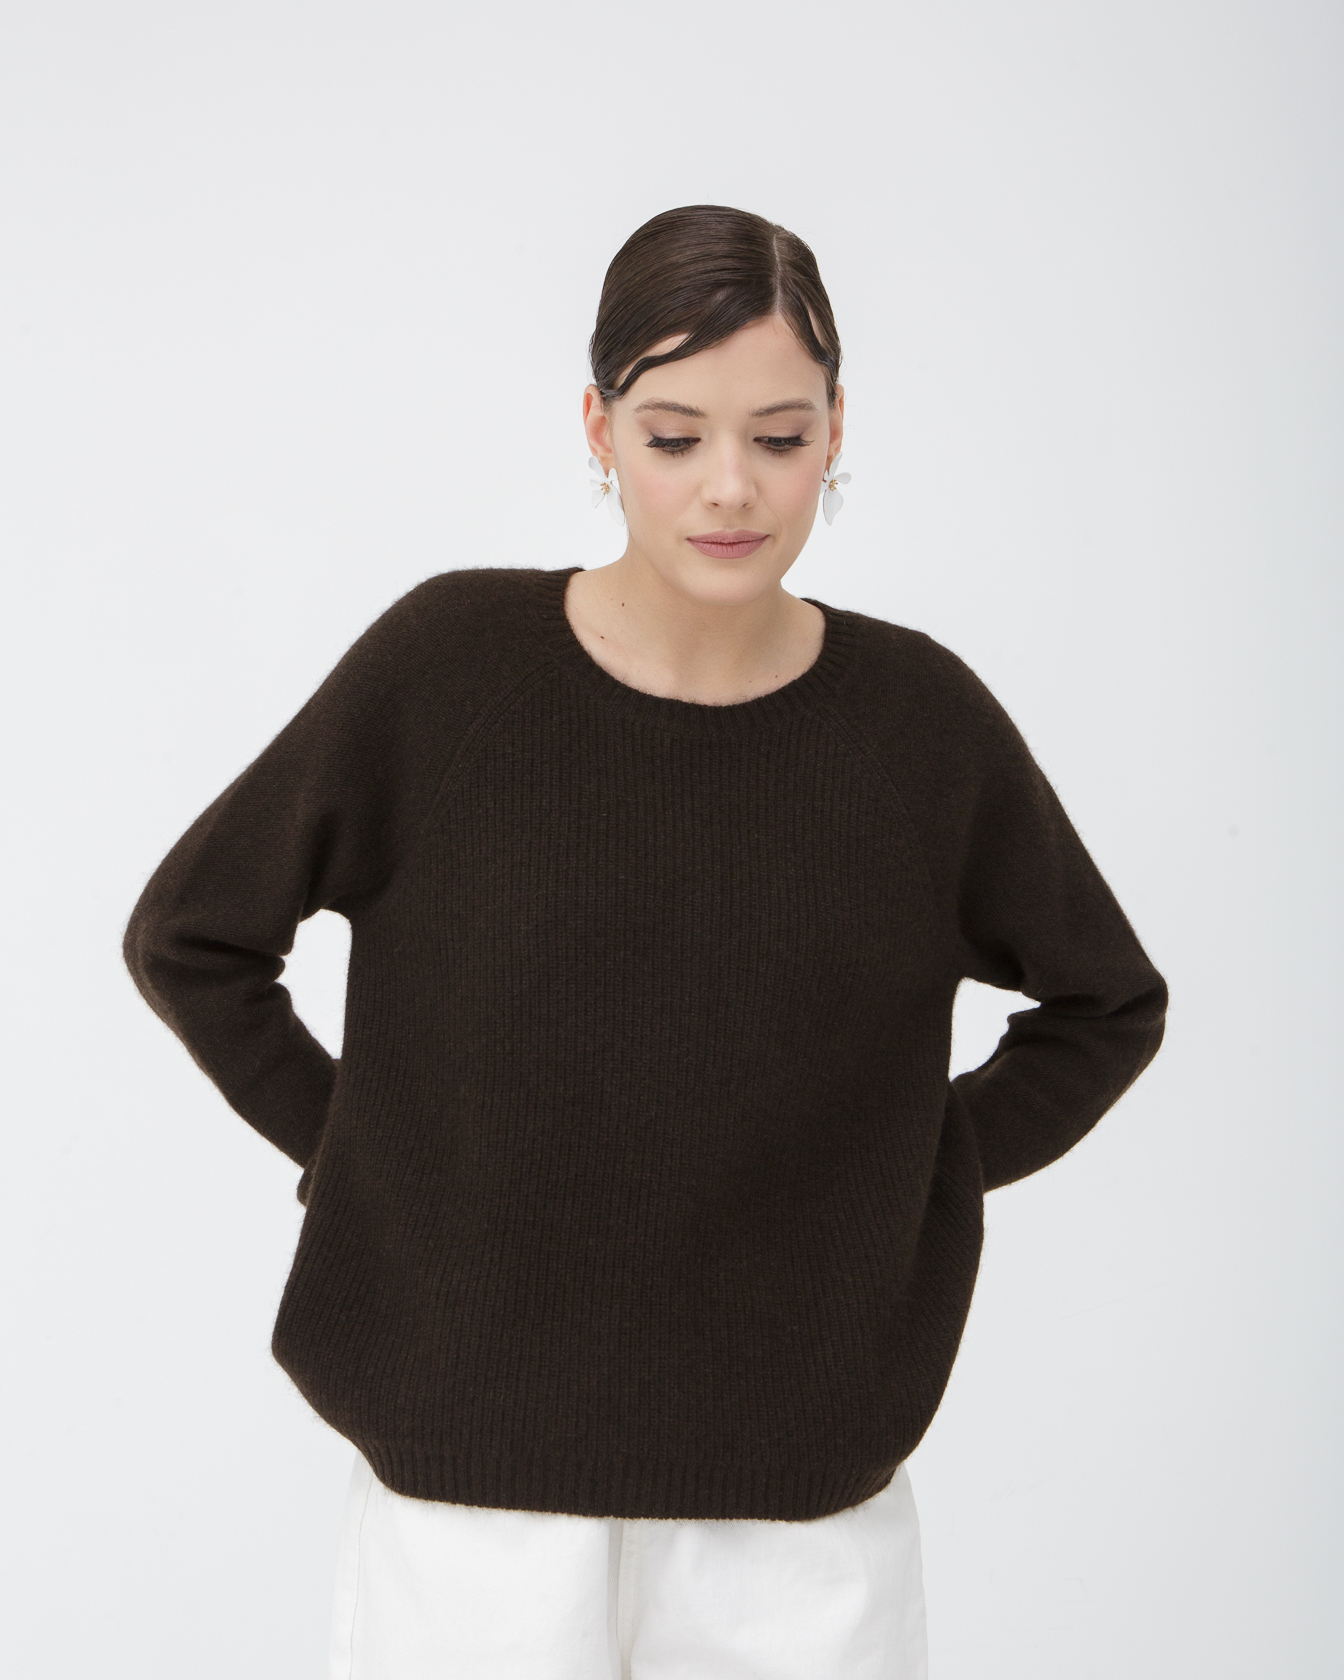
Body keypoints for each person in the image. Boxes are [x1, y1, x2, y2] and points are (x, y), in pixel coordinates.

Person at [122, 204, 1168, 1679]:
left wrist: (913, 1174)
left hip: (798, 1499)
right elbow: (193, 938)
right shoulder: (447, 672)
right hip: (471, 1492)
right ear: (599, 429)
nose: (730, 487)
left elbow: (1106, 1003)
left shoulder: (919, 727)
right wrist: (372, 1158)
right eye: (675, 436)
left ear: (838, 430)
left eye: (780, 437)